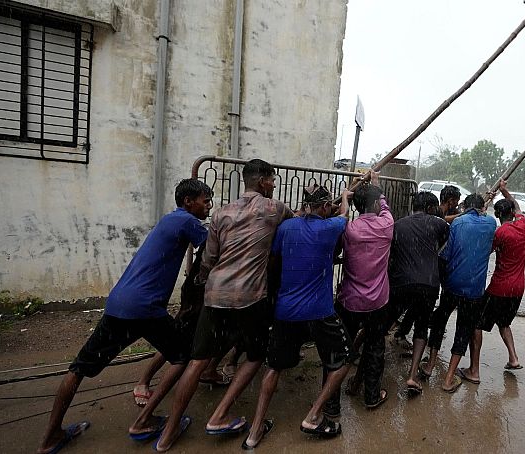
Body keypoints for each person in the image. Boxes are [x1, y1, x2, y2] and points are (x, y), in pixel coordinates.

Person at [36, 179, 213, 454]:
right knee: (186, 356)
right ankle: (144, 421)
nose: (209, 206)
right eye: (205, 200)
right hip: (145, 308)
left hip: (119, 304)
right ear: (188, 201)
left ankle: (50, 436)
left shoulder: (168, 221)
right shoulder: (186, 221)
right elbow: (217, 247)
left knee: (79, 368)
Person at [154, 159, 293, 452]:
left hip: (215, 293)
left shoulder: (221, 213)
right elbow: (297, 220)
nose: (275, 185)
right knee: (256, 357)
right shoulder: (273, 209)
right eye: (273, 180)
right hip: (249, 296)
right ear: (263, 181)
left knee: (197, 360)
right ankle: (219, 415)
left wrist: (207, 284)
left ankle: (167, 435)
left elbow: (209, 259)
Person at [243, 185, 352, 449]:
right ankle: (314, 414)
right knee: (343, 360)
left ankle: (255, 431)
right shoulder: (330, 227)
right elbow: (345, 216)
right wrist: (346, 197)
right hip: (319, 311)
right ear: (326, 207)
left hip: (286, 310)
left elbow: (276, 257)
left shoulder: (286, 228)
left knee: (274, 367)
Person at [131, 246, 229, 407]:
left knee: (187, 336)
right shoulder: (223, 232)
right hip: (203, 292)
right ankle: (145, 386)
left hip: (199, 289)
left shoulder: (217, 230)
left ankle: (209, 370)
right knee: (179, 343)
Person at [421, 193, 496, 393]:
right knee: (464, 330)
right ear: (482, 209)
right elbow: (483, 217)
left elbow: (446, 254)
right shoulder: (491, 223)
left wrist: (443, 279)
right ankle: (448, 378)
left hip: (452, 284)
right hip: (474, 289)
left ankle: (429, 366)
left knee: (440, 321)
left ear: (464, 207)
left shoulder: (458, 223)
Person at [333, 173, 394, 409]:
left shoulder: (348, 229)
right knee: (375, 348)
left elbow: (340, 218)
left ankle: (332, 401)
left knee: (341, 349)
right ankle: (371, 396)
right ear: (376, 205)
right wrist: (377, 186)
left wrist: (345, 199)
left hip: (350, 300)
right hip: (378, 301)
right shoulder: (387, 225)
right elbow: (384, 204)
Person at [460, 180, 525, 384]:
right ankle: (513, 359)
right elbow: (515, 203)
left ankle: (474, 370)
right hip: (518, 288)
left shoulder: (500, 233)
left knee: (476, 322)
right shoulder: (523, 225)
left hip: (500, 288)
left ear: (498, 215)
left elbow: (486, 250)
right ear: (512, 214)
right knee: (504, 322)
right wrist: (504, 189)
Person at [388, 190, 449, 394]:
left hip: (401, 282)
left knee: (383, 322)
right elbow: (441, 245)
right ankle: (413, 375)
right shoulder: (438, 224)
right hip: (429, 283)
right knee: (422, 328)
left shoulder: (398, 225)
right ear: (431, 208)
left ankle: (362, 364)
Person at [391, 184, 462, 349]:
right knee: (418, 306)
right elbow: (442, 232)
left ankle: (402, 331)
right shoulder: (437, 215)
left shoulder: (439, 214)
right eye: (456, 201)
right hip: (430, 266)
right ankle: (405, 332)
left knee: (414, 305)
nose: (456, 205)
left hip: (422, 267)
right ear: (450, 200)